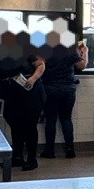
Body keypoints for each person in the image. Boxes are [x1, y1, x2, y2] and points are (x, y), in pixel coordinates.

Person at [0, 29, 44, 170]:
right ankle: (17, 157)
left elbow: (41, 65)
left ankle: (32, 159)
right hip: (11, 92)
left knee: (29, 126)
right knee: (15, 125)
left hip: (31, 92)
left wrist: (32, 79)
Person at [39, 28, 85, 159]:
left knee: (50, 120)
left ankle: (49, 151)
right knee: (66, 119)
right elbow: (82, 66)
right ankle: (70, 150)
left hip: (50, 89)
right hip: (68, 90)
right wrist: (84, 52)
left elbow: (38, 64)